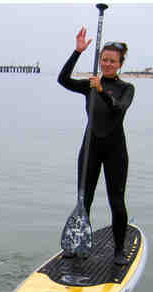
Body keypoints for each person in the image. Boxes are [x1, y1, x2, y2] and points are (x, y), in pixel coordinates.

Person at [58, 28, 135, 265]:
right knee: (84, 199)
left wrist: (101, 90)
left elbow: (118, 108)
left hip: (115, 152)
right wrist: (77, 52)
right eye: (104, 59)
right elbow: (63, 79)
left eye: (112, 61)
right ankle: (77, 244)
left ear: (120, 64)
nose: (108, 64)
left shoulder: (126, 89)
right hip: (90, 149)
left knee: (116, 200)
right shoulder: (89, 85)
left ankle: (119, 250)